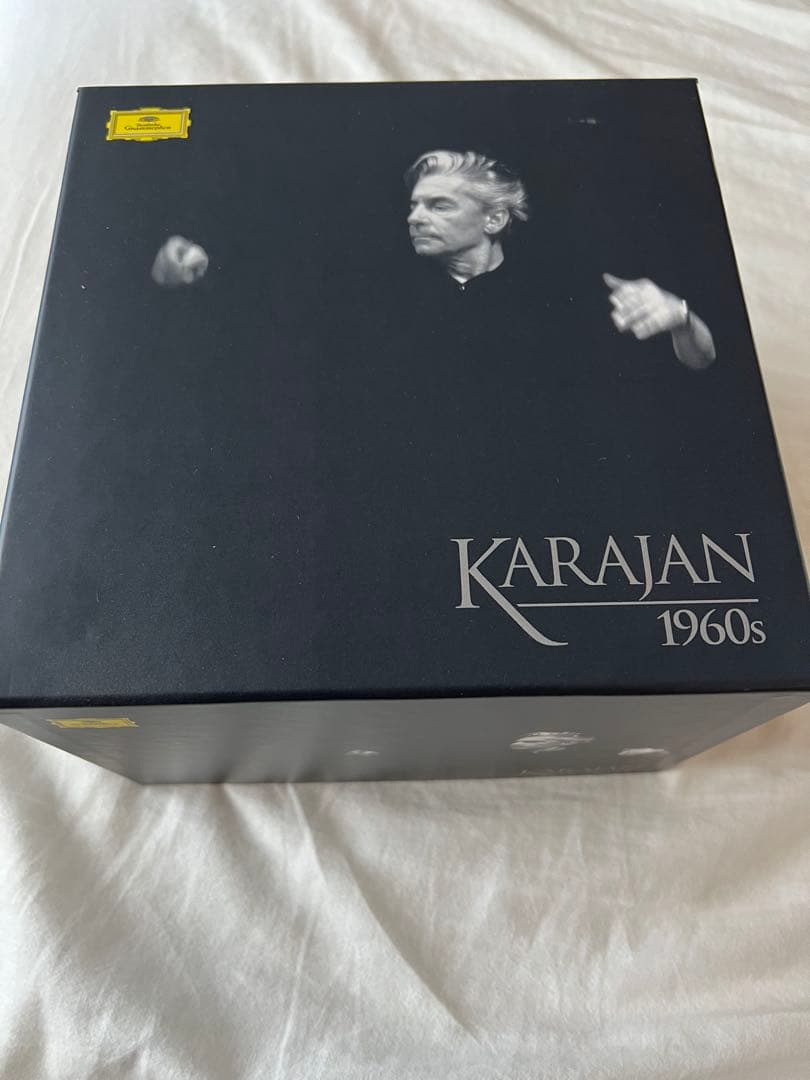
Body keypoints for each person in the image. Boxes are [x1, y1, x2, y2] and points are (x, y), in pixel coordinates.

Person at [150, 147, 716, 371]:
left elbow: (701, 362)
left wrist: (683, 319)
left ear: (493, 220)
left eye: (439, 205)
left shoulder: (562, 289)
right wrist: (202, 261)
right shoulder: (379, 286)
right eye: (414, 205)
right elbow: (278, 283)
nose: (415, 217)